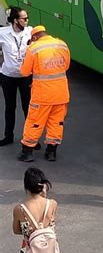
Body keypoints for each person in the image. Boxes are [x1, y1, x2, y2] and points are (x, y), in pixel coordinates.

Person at [17, 26, 71, 162]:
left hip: (42, 95)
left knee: (35, 122)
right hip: (61, 93)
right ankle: (51, 152)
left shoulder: (33, 49)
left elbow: (24, 72)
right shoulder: (62, 44)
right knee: (56, 123)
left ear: (34, 37)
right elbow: (66, 66)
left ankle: (27, 152)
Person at [0, 7, 33, 146]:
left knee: (28, 108)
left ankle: (30, 138)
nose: (27, 21)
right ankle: (8, 136)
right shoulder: (3, 33)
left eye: (27, 18)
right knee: (9, 107)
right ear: (15, 20)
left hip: (26, 76)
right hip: (8, 76)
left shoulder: (30, 32)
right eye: (24, 19)